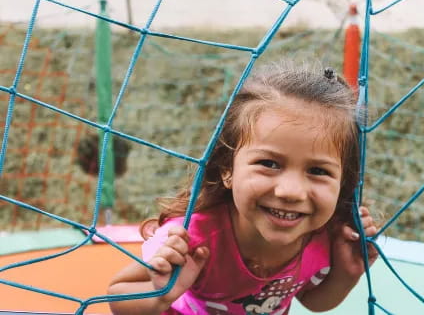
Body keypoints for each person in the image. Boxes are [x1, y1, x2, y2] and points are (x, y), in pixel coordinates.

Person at [107, 61, 378, 315]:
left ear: (343, 183)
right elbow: (116, 295)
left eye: (318, 171)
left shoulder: (326, 236)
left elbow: (312, 301)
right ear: (228, 169)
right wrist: (161, 292)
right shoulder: (193, 238)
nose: (291, 191)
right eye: (269, 163)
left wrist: (346, 274)